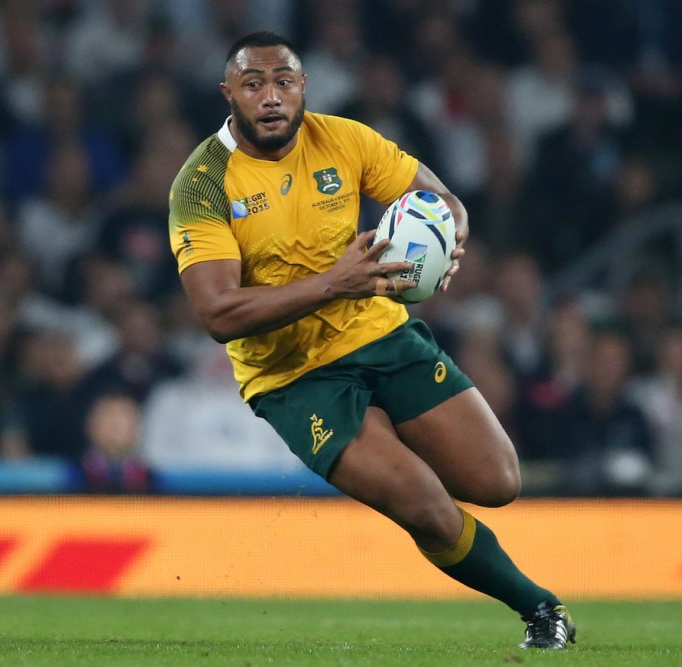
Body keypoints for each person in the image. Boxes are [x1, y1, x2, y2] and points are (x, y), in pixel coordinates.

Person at [168, 32, 575, 650]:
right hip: (295, 377)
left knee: (499, 482)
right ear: (229, 94)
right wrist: (335, 283)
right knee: (424, 506)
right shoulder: (201, 184)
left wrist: (445, 243)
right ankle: (542, 609)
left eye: (284, 82)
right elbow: (219, 313)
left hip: (382, 333)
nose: (271, 97)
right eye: (253, 84)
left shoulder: (345, 139)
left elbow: (443, 200)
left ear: (303, 86)